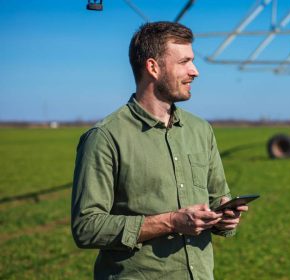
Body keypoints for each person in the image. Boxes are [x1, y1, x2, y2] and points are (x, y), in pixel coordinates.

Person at [71, 21, 248, 280]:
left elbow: (217, 198)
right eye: (184, 62)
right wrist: (172, 221)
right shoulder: (105, 138)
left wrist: (224, 216)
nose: (195, 71)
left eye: (193, 61)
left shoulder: (201, 130)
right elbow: (86, 227)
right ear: (153, 67)